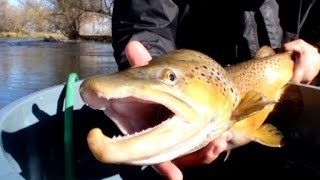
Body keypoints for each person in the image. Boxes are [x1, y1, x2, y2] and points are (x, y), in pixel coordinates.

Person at [111, 0, 320, 179]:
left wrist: (317, 52)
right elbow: (146, 23)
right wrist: (150, 70)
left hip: (287, 110)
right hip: (200, 90)